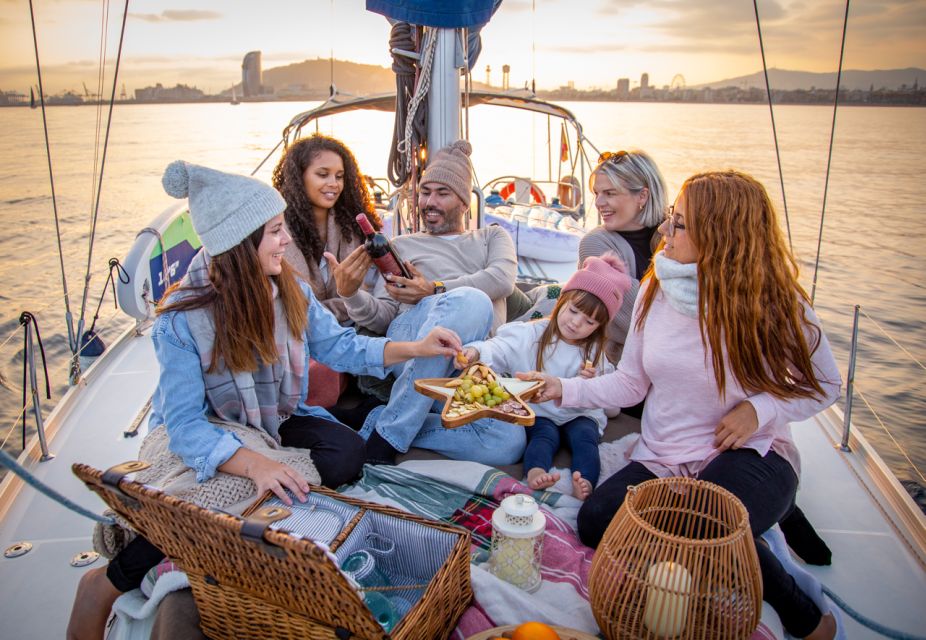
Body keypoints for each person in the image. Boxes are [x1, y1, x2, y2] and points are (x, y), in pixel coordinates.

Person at [66, 161, 462, 640]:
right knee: (231, 488)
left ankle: (246, 485)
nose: (287, 241)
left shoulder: (288, 290)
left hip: (270, 418)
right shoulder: (180, 319)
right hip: (202, 429)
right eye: (275, 232)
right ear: (240, 242)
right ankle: (108, 581)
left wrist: (417, 348)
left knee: (347, 455)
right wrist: (255, 466)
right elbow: (187, 425)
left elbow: (341, 346)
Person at [519, 170, 841, 640]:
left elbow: (827, 384)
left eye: (681, 225)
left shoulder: (776, 302)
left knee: (702, 526)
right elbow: (630, 383)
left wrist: (760, 410)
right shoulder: (655, 287)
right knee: (595, 523)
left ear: (722, 236)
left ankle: (805, 615)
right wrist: (562, 389)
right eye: (672, 218)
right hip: (668, 455)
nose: (665, 231)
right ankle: (756, 520)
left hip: (751, 452)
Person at [326, 140, 522, 466]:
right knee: (471, 302)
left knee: (508, 440)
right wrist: (350, 294)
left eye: (442, 193)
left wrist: (433, 288)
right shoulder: (401, 245)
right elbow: (383, 318)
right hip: (414, 339)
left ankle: (379, 418)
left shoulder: (492, 237)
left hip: (469, 364)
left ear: (464, 202)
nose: (429, 202)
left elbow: (502, 279)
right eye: (425, 192)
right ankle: (388, 438)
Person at [459, 254, 631, 499]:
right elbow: (499, 348)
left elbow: (612, 407)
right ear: (561, 301)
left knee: (586, 440)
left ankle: (585, 482)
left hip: (580, 414)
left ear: (599, 327)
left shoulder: (595, 352)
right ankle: (535, 472)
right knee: (542, 437)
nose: (575, 323)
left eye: (589, 321)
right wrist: (476, 351)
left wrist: (594, 382)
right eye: (573, 311)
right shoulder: (532, 335)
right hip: (542, 412)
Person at [271, 133, 381, 324]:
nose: (334, 183)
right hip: (295, 336)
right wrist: (344, 304)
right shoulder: (277, 232)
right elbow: (282, 306)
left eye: (339, 176)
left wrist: (320, 310)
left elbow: (367, 294)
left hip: (350, 330)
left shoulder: (352, 227)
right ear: (299, 177)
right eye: (322, 175)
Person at [581, 149, 667, 364]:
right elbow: (638, 321)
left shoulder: (674, 234)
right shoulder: (596, 244)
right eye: (596, 193)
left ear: (643, 195)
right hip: (623, 369)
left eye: (609, 193)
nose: (598, 203)